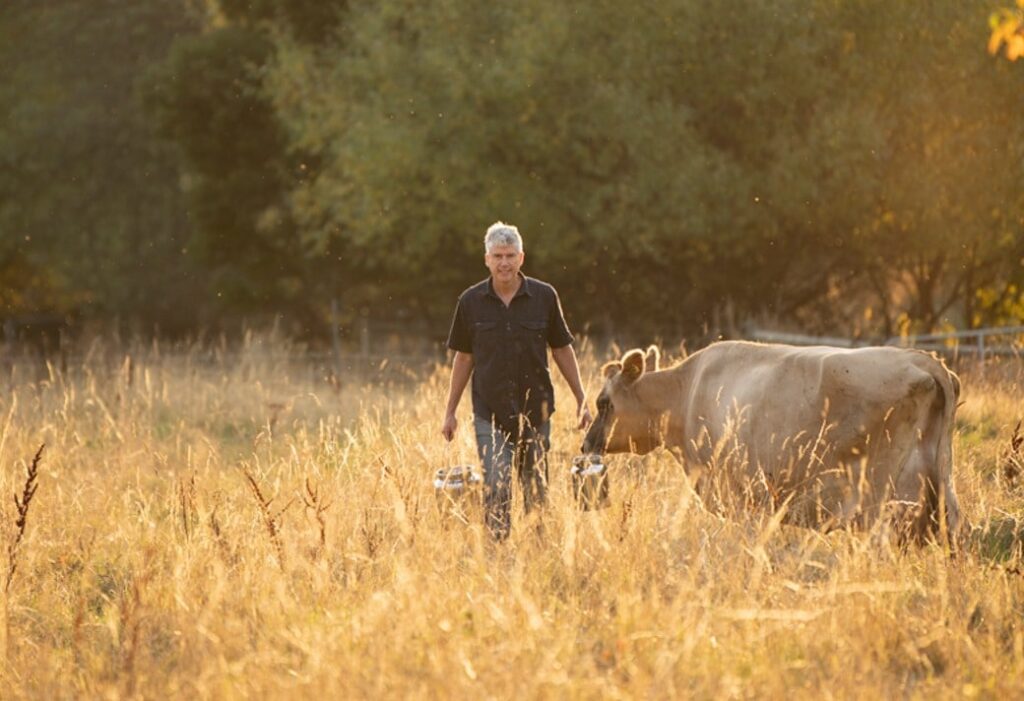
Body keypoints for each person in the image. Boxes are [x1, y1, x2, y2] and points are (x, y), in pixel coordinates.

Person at [442, 222, 592, 539]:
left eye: (510, 255)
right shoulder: (470, 302)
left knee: (535, 487)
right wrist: (450, 412)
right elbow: (464, 358)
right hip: (489, 411)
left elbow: (562, 349)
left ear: (522, 258)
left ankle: (538, 554)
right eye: (497, 256)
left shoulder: (545, 296)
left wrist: (582, 399)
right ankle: (498, 552)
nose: (504, 263)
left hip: (536, 410)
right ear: (486, 259)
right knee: (496, 482)